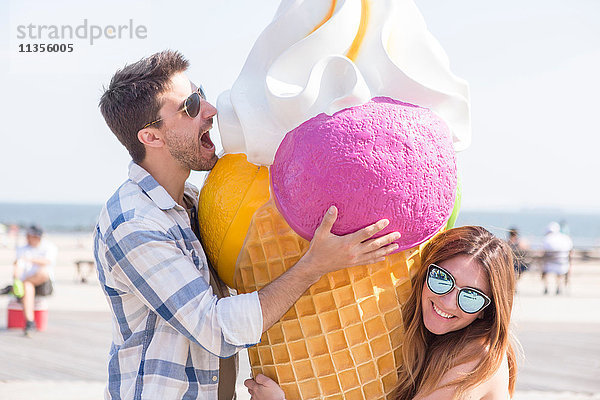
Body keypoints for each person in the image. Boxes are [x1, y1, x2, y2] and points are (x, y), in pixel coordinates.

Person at [95, 50, 400, 400]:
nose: (210, 110)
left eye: (202, 94)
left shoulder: (193, 202)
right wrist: (313, 265)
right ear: (151, 137)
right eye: (191, 106)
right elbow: (216, 328)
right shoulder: (134, 223)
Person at [245, 226, 518, 399]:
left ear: (486, 311)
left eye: (470, 296)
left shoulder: (478, 357)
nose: (448, 302)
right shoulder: (430, 344)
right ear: (424, 274)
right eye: (442, 279)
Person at [0, 225, 56, 336]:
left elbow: (47, 262)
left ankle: (11, 288)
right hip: (26, 284)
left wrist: (29, 260)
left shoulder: (48, 247)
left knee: (42, 272)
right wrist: (16, 277)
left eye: (30, 236)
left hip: (43, 284)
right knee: (27, 285)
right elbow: (19, 267)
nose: (28, 238)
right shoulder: (22, 249)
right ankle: (30, 322)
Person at [541, 221, 573, 295]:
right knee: (559, 271)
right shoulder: (566, 238)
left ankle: (546, 287)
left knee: (544, 267)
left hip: (549, 264)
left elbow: (543, 251)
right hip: (563, 263)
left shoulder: (547, 238)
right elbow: (570, 251)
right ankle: (559, 287)